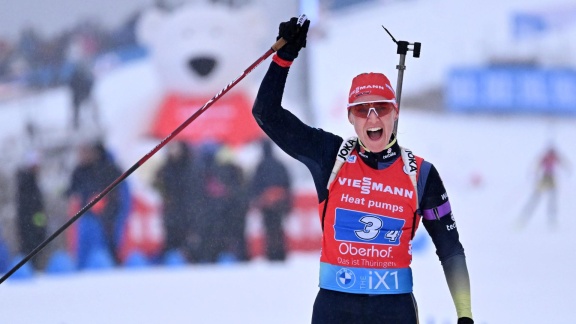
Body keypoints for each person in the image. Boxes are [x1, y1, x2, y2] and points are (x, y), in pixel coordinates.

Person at [252, 17, 473, 324]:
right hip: (334, 308)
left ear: (394, 113)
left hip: (393, 311)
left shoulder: (420, 174)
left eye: (381, 108)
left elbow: (450, 249)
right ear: (350, 118)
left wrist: (465, 315)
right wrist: (283, 57)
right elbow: (266, 114)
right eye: (362, 110)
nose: (372, 118)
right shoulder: (330, 156)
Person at [66, 141, 130, 268]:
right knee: (84, 247)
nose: (82, 156)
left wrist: (104, 204)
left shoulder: (107, 168)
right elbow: (72, 190)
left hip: (104, 218)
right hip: (86, 216)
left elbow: (117, 194)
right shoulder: (80, 171)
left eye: (86, 152)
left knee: (103, 248)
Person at [153, 141, 204, 261]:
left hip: (188, 215)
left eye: (175, 148)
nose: (173, 151)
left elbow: (195, 195)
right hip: (171, 215)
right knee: (171, 246)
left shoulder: (192, 168)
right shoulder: (166, 169)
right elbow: (157, 186)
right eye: (171, 148)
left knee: (189, 248)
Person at [249, 139, 293, 261]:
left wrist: (256, 200)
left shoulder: (260, 166)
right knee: (278, 229)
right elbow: (287, 185)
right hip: (279, 203)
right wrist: (288, 204)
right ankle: (280, 253)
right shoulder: (279, 165)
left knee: (269, 230)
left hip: (266, 204)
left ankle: (271, 254)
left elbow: (255, 186)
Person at [517, 143, 570, 228]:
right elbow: (537, 165)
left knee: (552, 199)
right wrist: (534, 173)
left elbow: (563, 162)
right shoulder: (545, 157)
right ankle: (523, 217)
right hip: (545, 178)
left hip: (551, 178)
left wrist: (567, 169)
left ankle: (552, 219)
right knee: (536, 198)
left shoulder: (554, 156)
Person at [15, 150, 48, 270]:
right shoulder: (28, 182)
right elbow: (35, 208)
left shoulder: (29, 181)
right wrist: (39, 225)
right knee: (31, 251)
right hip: (30, 225)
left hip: (30, 224)